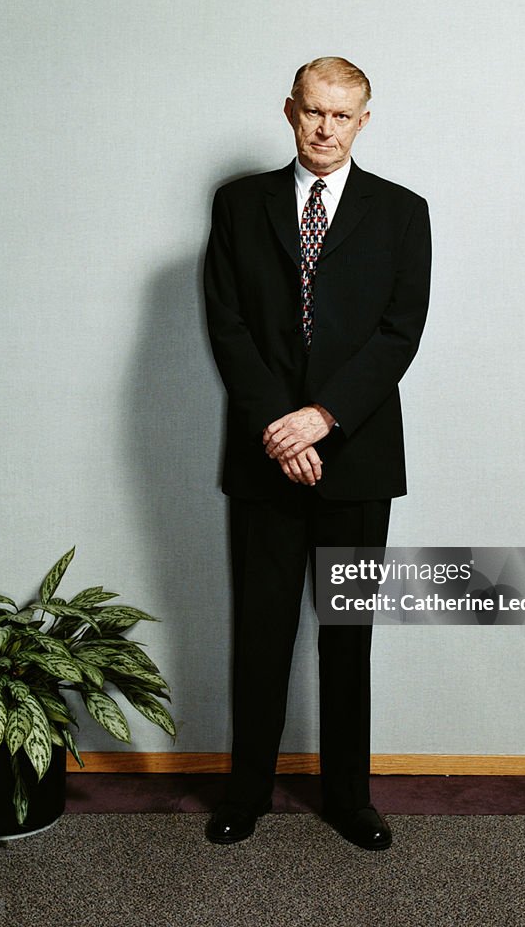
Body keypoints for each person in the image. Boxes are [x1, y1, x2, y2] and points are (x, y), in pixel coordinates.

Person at [203, 56, 431, 849]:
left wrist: (322, 418)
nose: (324, 129)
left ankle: (348, 800)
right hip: (266, 458)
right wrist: (281, 427)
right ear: (289, 111)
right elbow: (227, 325)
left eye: (341, 116)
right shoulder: (239, 206)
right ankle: (246, 795)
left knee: (347, 637)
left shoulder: (403, 213)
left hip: (358, 461)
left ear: (363, 121)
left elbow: (398, 333)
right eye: (312, 112)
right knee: (260, 635)